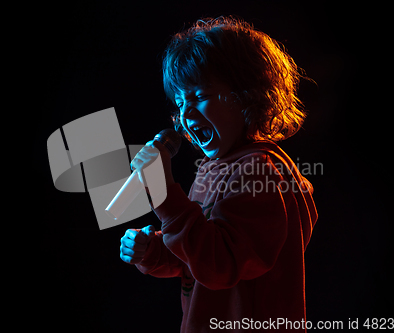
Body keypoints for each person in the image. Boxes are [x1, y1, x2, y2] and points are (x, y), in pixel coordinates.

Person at [120, 16, 318, 332]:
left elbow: (220, 265)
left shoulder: (260, 173)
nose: (184, 114)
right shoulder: (214, 170)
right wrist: (154, 251)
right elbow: (199, 255)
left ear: (248, 93)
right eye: (180, 102)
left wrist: (161, 190)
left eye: (199, 96)